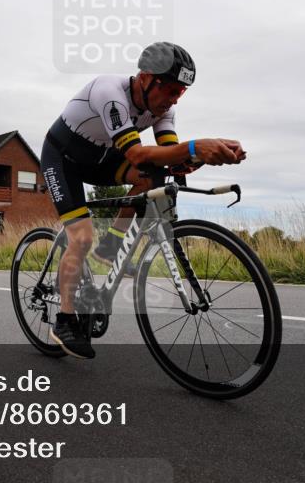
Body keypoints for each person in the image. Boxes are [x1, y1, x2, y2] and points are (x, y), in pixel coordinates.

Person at [40, 42, 245, 359]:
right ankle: (65, 320)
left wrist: (211, 153)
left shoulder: (164, 110)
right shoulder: (110, 91)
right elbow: (136, 153)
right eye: (172, 89)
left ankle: (112, 246)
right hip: (62, 159)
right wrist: (195, 148)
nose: (175, 99)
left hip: (101, 159)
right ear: (147, 78)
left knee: (151, 176)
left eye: (182, 93)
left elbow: (170, 159)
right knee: (80, 238)